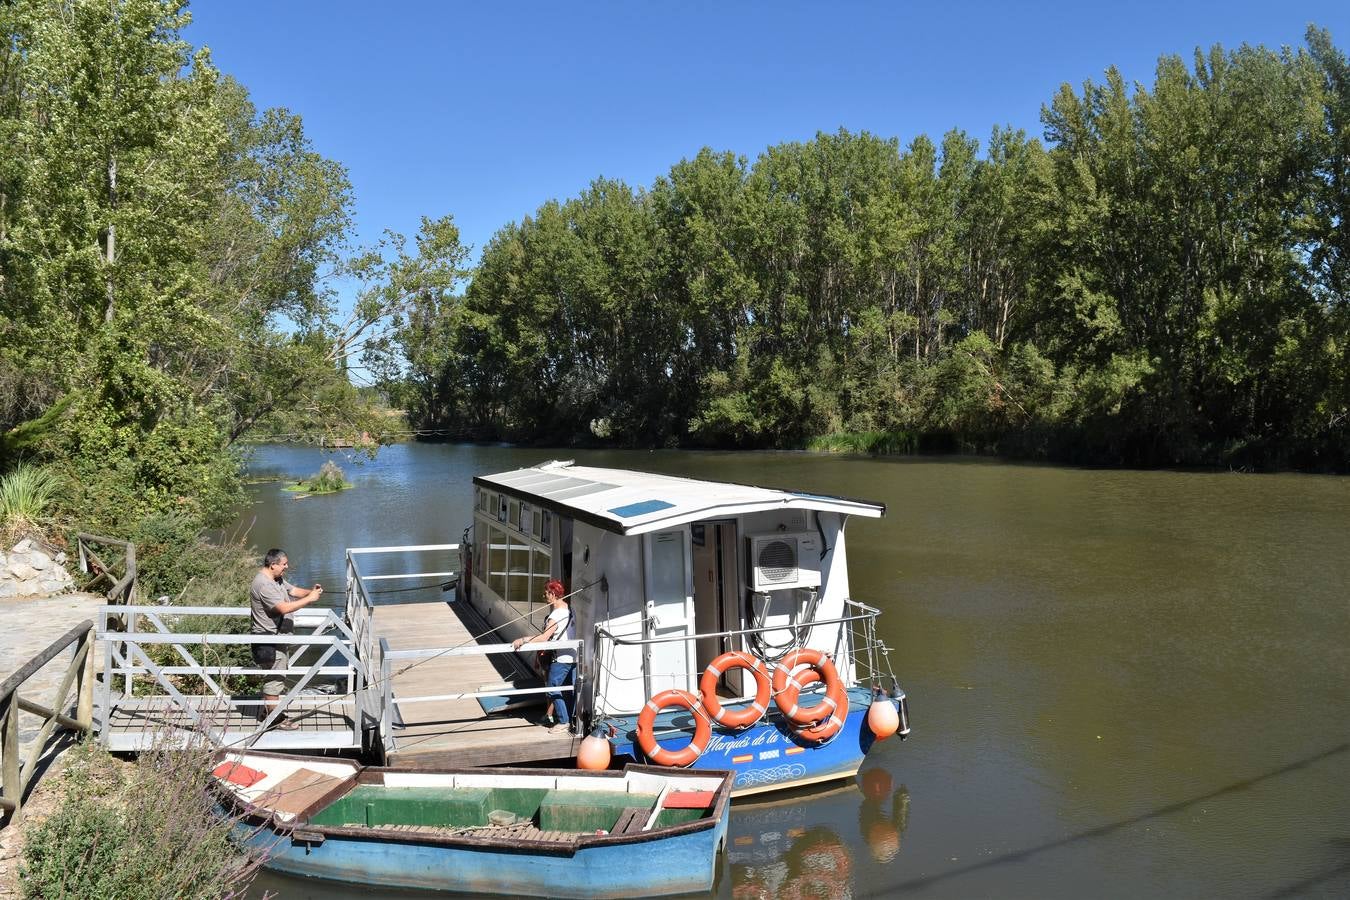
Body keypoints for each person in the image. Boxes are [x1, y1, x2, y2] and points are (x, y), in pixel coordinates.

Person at [249, 548, 324, 729]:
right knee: (274, 680)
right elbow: (282, 608)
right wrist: (310, 600)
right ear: (273, 565)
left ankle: (267, 712)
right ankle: (275, 720)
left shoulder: (276, 579)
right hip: (269, 640)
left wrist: (311, 592)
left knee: (276, 677)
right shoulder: (264, 584)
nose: (287, 567)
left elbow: (293, 591)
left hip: (277, 639)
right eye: (284, 564)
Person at [512, 579, 574, 734]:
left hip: (561, 658)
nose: (544, 596)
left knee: (552, 688)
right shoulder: (568, 609)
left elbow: (544, 638)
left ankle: (564, 722)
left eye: (546, 593)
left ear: (553, 594)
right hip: (572, 656)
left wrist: (523, 640)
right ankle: (570, 720)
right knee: (567, 690)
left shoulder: (556, 615)